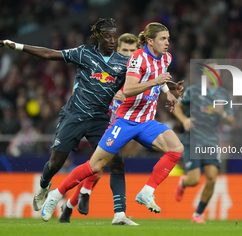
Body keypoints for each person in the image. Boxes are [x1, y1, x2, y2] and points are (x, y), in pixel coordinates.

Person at [40, 22, 184, 223]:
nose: (168, 42)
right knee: (94, 166)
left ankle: (146, 192)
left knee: (176, 148)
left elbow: (157, 77)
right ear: (150, 41)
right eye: (163, 38)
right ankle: (57, 194)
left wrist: (168, 92)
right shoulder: (137, 58)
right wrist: (156, 82)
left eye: (168, 38)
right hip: (124, 121)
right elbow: (129, 89)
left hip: (146, 121)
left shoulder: (166, 58)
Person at [0, 18, 137, 225]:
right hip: (75, 114)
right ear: (99, 36)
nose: (111, 40)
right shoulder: (84, 53)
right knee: (56, 163)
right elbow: (49, 54)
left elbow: (145, 78)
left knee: (116, 161)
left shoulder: (123, 63)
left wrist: (169, 88)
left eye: (114, 36)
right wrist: (18, 45)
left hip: (100, 118)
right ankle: (44, 185)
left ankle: (119, 214)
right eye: (107, 36)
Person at [58, 33, 139, 225]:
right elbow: (81, 91)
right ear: (118, 51)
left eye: (132, 51)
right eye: (125, 50)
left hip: (117, 126)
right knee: (99, 165)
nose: (128, 54)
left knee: (98, 168)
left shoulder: (136, 76)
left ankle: (69, 205)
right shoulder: (109, 69)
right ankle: (81, 194)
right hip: (96, 121)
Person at [173, 61, 235, 223]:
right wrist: (185, 120)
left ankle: (198, 214)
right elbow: (176, 107)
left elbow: (231, 121)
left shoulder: (223, 95)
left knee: (212, 179)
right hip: (193, 138)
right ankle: (183, 182)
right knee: (193, 180)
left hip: (211, 141)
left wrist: (222, 115)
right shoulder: (193, 91)